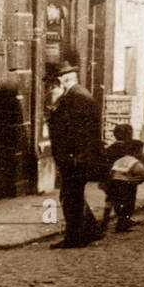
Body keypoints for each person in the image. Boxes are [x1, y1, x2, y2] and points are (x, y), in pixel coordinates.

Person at [46, 61, 105, 249]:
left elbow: (79, 131)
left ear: (62, 80)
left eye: (54, 82)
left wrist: (74, 156)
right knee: (73, 195)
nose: (51, 87)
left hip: (75, 158)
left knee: (70, 197)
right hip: (76, 156)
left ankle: (75, 238)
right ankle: (91, 231)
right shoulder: (76, 95)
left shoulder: (76, 97)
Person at [101, 125, 144, 232]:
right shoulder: (128, 148)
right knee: (127, 204)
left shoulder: (110, 148)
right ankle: (123, 222)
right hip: (126, 181)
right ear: (129, 134)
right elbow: (139, 169)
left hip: (111, 179)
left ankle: (104, 222)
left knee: (110, 201)